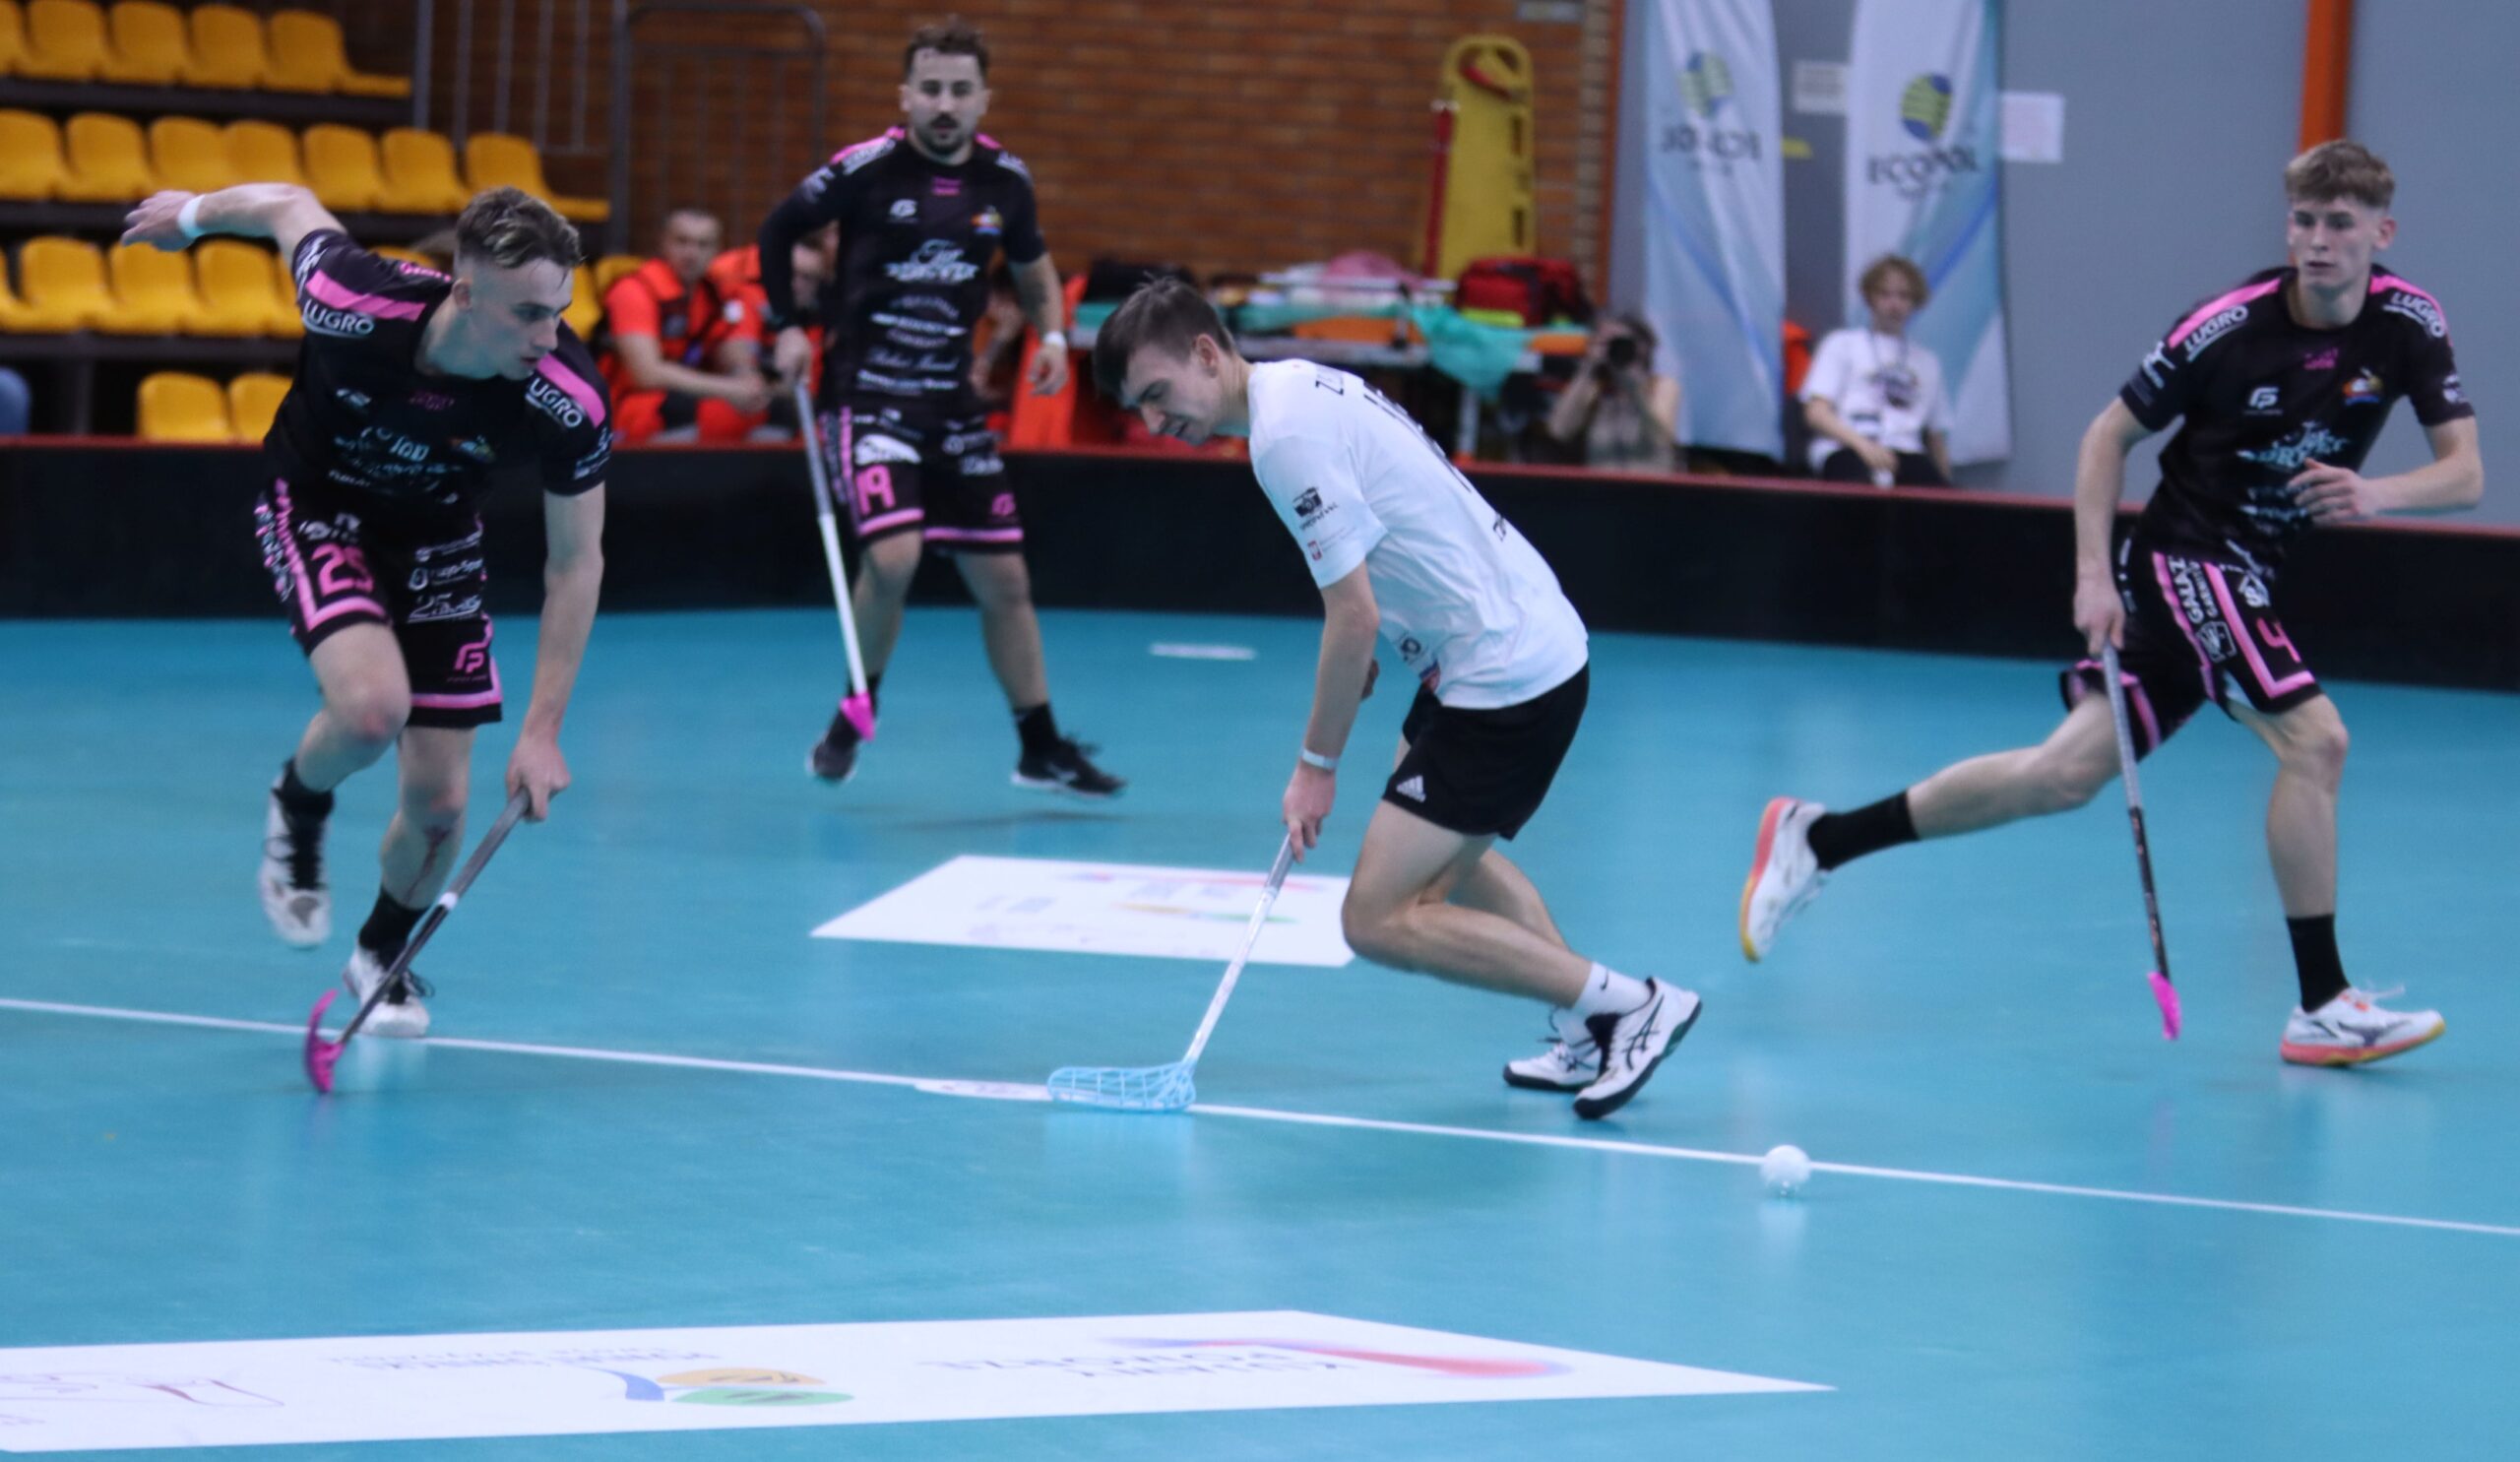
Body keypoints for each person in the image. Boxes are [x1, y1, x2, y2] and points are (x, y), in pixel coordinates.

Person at [1740, 141, 2482, 1068]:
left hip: (2251, 569)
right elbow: (2106, 437)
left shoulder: (2411, 322)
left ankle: (1820, 837)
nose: (2319, 241)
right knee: (2316, 741)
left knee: (2059, 775)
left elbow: (2465, 474)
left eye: (2341, 224)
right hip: (2186, 558)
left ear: (2383, 232)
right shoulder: (2223, 328)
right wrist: (2093, 575)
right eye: (2304, 221)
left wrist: (2379, 493)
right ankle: (2323, 1003)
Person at [1095, 279, 1700, 1120]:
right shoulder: (1293, 388)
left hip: (1504, 675)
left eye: (1157, 394)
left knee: (1375, 916)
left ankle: (1631, 1006)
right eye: (1139, 408)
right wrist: (1374, 646)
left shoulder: (1282, 438)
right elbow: (1385, 543)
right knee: (1448, 853)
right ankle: (1585, 1022)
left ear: (1205, 352)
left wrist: (1315, 767)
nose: (1155, 421)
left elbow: (1352, 616)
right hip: (1484, 649)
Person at [122, 182, 610, 1039]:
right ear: (465, 293)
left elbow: (575, 562)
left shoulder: (565, 394)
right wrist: (191, 219)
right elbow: (286, 203)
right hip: (319, 506)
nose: (548, 335)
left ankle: (380, 954)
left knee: (441, 805)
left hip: (438, 538)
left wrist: (542, 731)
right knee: (371, 710)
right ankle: (299, 802)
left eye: (559, 312)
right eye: (529, 314)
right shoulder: (351, 299)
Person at [758, 17, 1120, 795]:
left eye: (960, 89)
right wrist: (786, 325)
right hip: (868, 398)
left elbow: (1034, 267)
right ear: (906, 96)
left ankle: (1040, 747)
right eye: (930, 88)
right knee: (894, 558)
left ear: (984, 98)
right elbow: (778, 228)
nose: (945, 103)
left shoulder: (1006, 181)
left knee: (1007, 581)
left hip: (952, 408)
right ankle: (854, 714)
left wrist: (1054, 336)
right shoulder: (865, 169)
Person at [601, 207, 776, 443]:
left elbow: (729, 348)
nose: (691, 253)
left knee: (768, 411)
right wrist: (730, 388)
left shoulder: (714, 293)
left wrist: (747, 376)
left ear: (717, 250)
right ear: (663, 243)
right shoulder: (633, 290)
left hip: (683, 398)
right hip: (622, 407)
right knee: (680, 410)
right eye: (682, 241)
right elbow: (646, 374)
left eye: (703, 244)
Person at [1800, 255, 1953, 486]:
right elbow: (1816, 413)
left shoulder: (1927, 362)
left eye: (1903, 296)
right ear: (1870, 297)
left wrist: (1948, 490)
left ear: (1915, 301)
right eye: (1885, 294)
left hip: (1906, 452)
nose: (1894, 304)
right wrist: (1863, 445)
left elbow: (1936, 437)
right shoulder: (1841, 344)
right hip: (1847, 446)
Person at [1543, 312, 1682, 471]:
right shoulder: (1595, 389)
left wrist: (1634, 387)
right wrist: (1588, 369)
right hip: (1603, 483)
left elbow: (1660, 439)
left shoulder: (1660, 386)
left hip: (1649, 483)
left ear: (1643, 346)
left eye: (1622, 343)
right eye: (1606, 343)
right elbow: (1559, 431)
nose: (1616, 348)